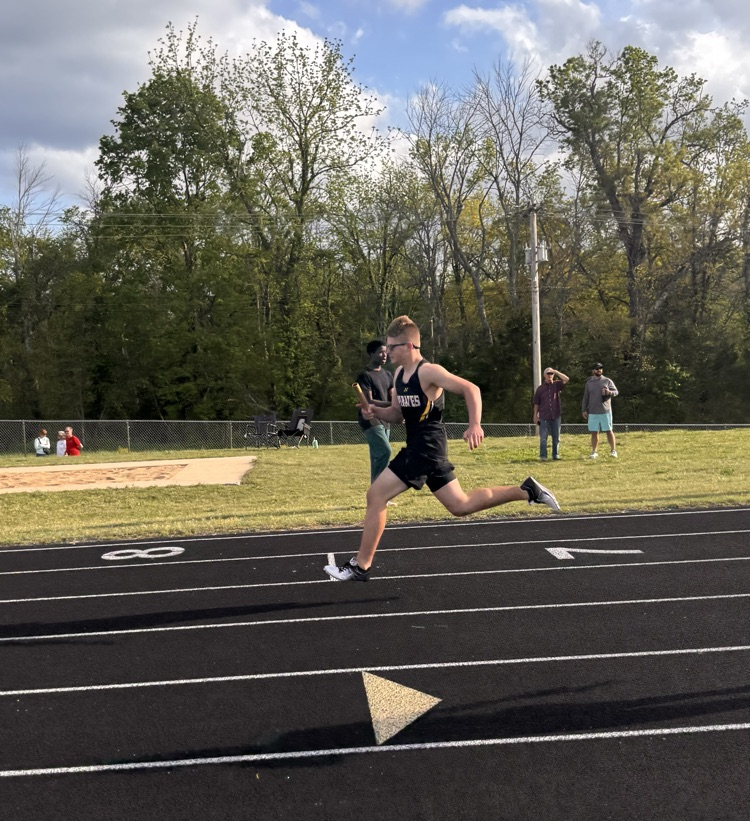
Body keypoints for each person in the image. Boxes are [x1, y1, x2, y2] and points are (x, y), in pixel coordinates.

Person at [325, 315, 560, 582]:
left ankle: (361, 565)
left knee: (376, 495)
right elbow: (397, 415)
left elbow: (471, 389)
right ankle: (526, 490)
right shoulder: (399, 375)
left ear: (409, 346)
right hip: (422, 448)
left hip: (426, 448)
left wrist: (475, 425)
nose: (386, 352)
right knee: (460, 505)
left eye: (391, 347)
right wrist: (374, 411)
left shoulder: (429, 371)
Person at [356, 340, 395, 483]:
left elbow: (393, 395)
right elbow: (369, 401)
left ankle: (376, 494)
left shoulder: (388, 375)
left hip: (385, 418)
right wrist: (392, 405)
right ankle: (380, 491)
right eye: (380, 352)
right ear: (371, 354)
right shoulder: (365, 375)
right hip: (370, 417)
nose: (384, 355)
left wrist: (398, 406)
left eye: (386, 352)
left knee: (377, 456)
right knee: (385, 451)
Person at [581, 362, 619, 458]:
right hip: (593, 412)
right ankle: (594, 452)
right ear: (593, 371)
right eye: (597, 368)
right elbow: (586, 397)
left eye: (601, 368)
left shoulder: (607, 380)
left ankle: (613, 450)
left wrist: (609, 392)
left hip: (605, 411)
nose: (599, 370)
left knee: (609, 430)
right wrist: (584, 410)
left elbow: (616, 392)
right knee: (594, 432)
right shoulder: (589, 383)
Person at [532, 368, 569, 460]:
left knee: (556, 437)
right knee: (543, 438)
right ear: (544, 375)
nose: (550, 375)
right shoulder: (540, 389)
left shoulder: (557, 385)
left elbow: (566, 379)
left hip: (556, 415)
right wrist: (535, 415)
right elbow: (536, 403)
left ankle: (555, 455)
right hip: (543, 417)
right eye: (548, 373)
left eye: (551, 373)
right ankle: (543, 456)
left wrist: (556, 371)